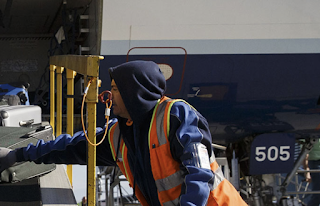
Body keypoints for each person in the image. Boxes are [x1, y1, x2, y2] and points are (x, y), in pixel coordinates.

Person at [0, 60, 247, 205]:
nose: (109, 96)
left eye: (117, 89)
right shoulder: (120, 133)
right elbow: (73, 147)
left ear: (135, 93)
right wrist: (16, 156)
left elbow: (200, 175)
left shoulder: (177, 117)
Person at [303, 139, 320, 206]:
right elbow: (304, 153)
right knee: (317, 193)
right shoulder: (308, 133)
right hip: (315, 162)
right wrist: (307, 172)